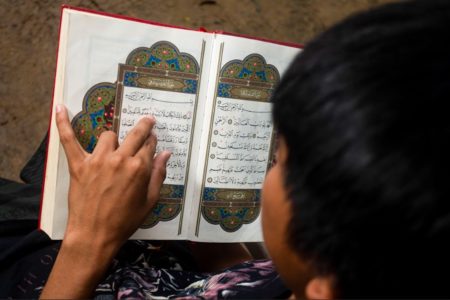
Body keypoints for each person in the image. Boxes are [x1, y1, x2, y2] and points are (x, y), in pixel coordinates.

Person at [5, 0, 450, 298]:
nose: (270, 161)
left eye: (282, 162)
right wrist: (208, 232)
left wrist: (89, 242)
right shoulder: (366, 265)